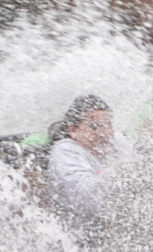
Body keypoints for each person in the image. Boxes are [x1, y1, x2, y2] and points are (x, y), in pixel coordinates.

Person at [46, 94, 119, 226]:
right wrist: (118, 172)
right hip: (79, 233)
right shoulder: (65, 151)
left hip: (111, 224)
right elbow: (89, 200)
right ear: (73, 130)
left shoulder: (116, 142)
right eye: (95, 127)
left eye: (108, 125)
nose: (105, 133)